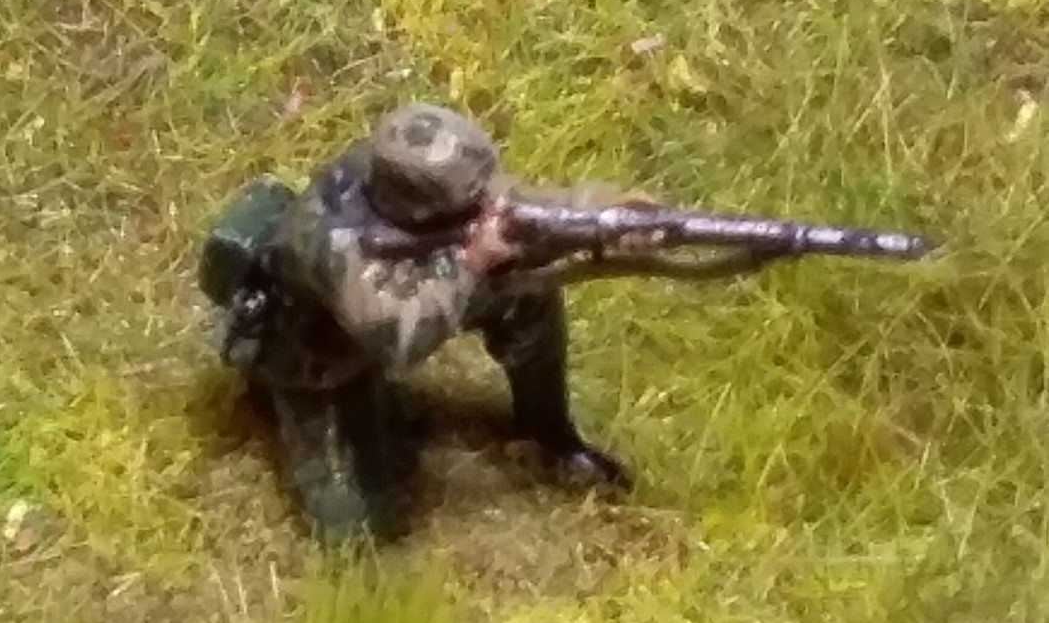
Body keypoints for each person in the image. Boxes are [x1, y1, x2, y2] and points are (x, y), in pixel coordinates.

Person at [201, 101, 788, 540]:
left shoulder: (426, 180)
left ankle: (549, 433)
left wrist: (611, 214)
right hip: (320, 356)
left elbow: (524, 205)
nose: (490, 205)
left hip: (417, 291)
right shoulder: (332, 240)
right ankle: (308, 416)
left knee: (525, 297)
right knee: (357, 529)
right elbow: (398, 338)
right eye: (473, 203)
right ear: (420, 207)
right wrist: (472, 261)